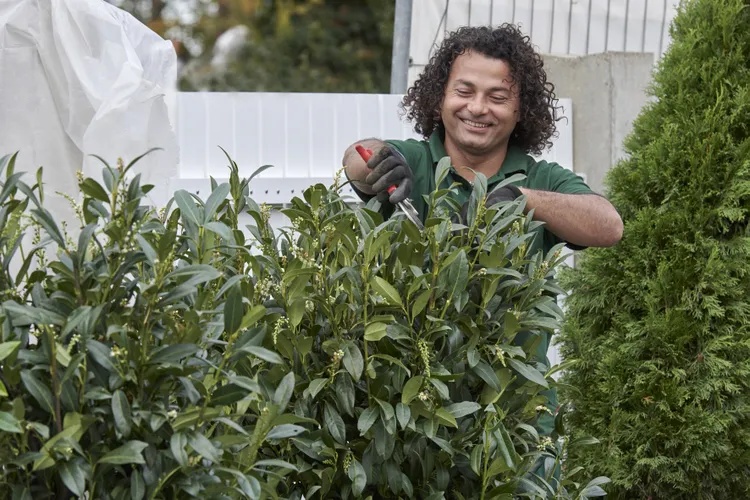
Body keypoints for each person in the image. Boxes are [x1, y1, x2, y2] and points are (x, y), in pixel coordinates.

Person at [342, 24, 623, 438]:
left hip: (514, 419)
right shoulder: (414, 162)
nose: (477, 108)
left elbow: (609, 225)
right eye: (464, 91)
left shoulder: (540, 178)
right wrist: (377, 160)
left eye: (497, 97)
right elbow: (356, 159)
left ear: (521, 109)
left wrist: (522, 199)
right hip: (412, 413)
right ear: (440, 97)